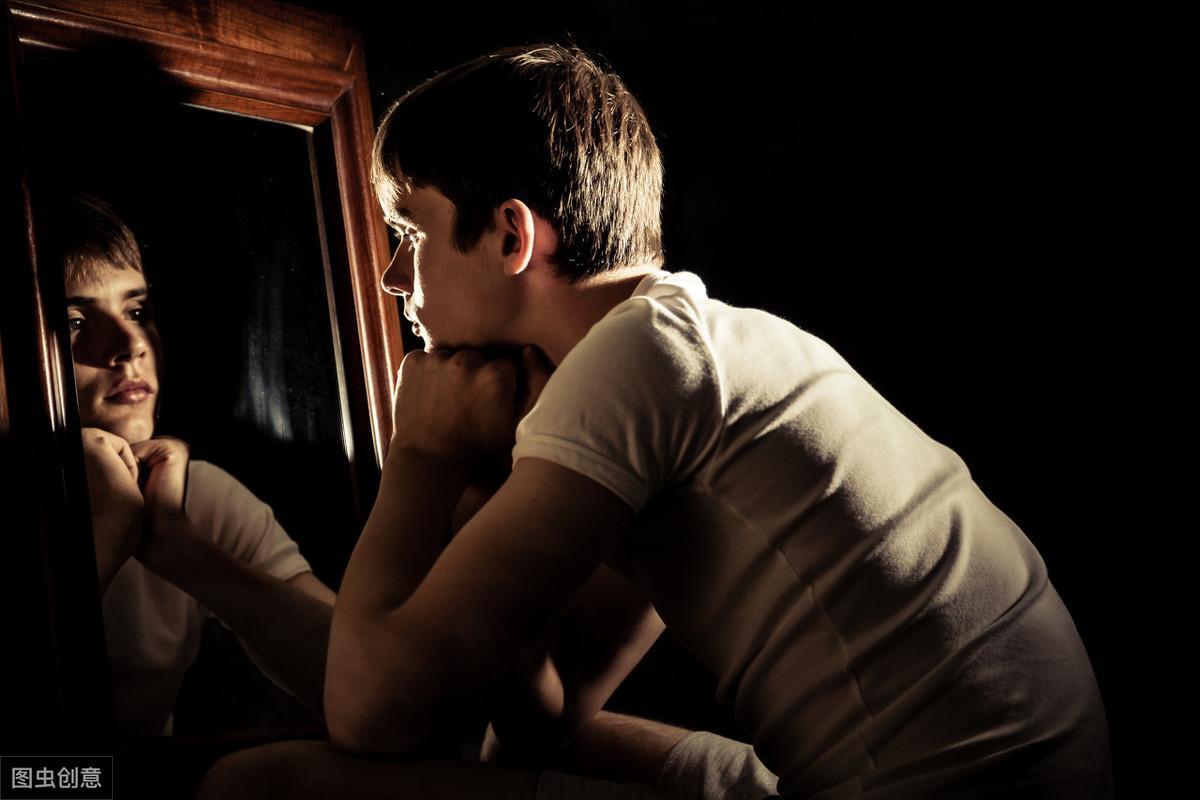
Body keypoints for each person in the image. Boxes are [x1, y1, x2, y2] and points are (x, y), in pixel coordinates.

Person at [200, 44, 1113, 799]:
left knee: (262, 784)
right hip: (1018, 772)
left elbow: (370, 715)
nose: (394, 278)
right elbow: (548, 717)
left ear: (512, 236)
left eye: (410, 233)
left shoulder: (637, 362)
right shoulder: (689, 340)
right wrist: (486, 524)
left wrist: (423, 457)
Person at [60, 192, 336, 740]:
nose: (131, 345)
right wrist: (107, 532)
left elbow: (369, 683)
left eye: (136, 312)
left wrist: (180, 547)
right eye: (73, 322)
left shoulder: (191, 495)